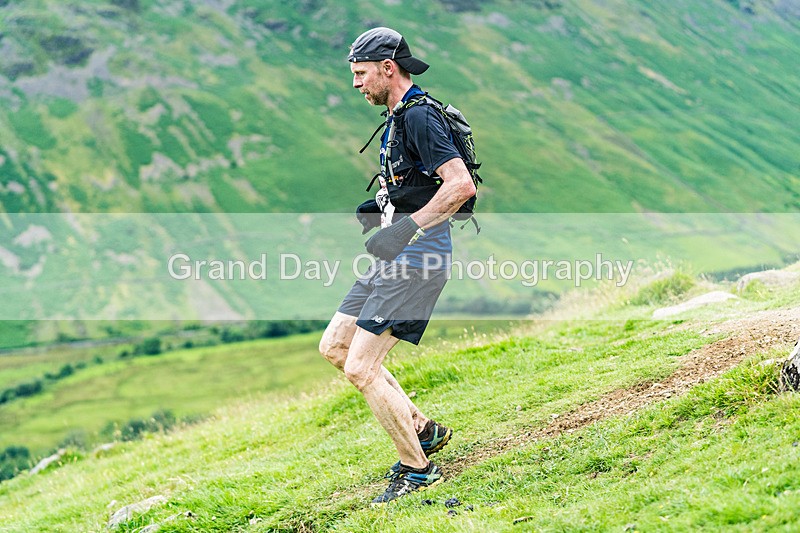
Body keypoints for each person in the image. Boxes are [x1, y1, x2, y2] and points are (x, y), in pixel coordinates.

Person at [318, 27, 476, 504]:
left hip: (419, 257)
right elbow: (421, 186)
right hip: (397, 255)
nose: (355, 84)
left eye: (361, 74)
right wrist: (385, 208)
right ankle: (423, 430)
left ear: (388, 68)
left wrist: (405, 228)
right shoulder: (397, 116)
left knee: (361, 369)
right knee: (336, 346)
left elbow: (460, 186)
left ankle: (418, 470)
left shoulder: (420, 117)